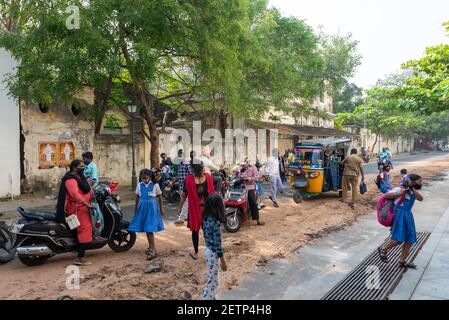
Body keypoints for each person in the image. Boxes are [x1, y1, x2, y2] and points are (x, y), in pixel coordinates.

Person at [378, 174, 423, 269]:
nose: (419, 183)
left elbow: (421, 198)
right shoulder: (399, 189)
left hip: (408, 215)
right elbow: (387, 195)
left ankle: (402, 261)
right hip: (399, 215)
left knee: (409, 239)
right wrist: (400, 193)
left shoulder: (413, 191)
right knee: (398, 239)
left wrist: (412, 189)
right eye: (417, 181)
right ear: (409, 181)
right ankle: (383, 249)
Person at [56, 159, 94, 266]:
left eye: (84, 167)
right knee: (85, 230)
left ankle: (77, 249)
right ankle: (80, 257)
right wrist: (86, 203)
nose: (83, 169)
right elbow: (75, 195)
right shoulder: (70, 180)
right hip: (76, 210)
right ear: (74, 168)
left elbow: (87, 188)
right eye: (80, 167)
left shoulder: (79, 177)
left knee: (79, 231)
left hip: (82, 208)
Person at [178, 161, 215, 260]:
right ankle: (210, 253)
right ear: (202, 167)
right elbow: (213, 193)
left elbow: (184, 195)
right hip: (208, 209)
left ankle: (196, 253)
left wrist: (180, 207)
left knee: (195, 231)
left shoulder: (189, 179)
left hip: (195, 210)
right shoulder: (208, 177)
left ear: (192, 168)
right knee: (207, 230)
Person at [129, 169, 165, 261]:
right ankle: (150, 247)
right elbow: (137, 197)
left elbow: (160, 196)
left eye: (146, 178)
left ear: (150, 177)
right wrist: (136, 208)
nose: (144, 179)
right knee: (146, 228)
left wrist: (161, 208)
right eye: (142, 178)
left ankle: (154, 250)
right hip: (142, 209)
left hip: (152, 209)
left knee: (149, 229)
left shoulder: (155, 185)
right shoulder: (139, 185)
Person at [202, 193, 228, 300]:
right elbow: (218, 245)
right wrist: (223, 262)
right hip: (213, 253)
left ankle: (212, 298)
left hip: (207, 249)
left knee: (212, 278)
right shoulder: (216, 222)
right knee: (212, 281)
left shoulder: (206, 218)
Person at [239, 159, 265, 226]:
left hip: (250, 187)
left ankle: (257, 220)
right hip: (242, 187)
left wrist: (249, 178)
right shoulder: (241, 168)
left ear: (248, 162)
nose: (243, 166)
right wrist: (240, 175)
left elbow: (256, 177)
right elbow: (238, 174)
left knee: (253, 202)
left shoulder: (253, 167)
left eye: (244, 164)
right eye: (242, 165)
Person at [174, 151, 193, 226]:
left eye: (180, 156)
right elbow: (178, 176)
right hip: (181, 186)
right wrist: (173, 182)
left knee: (185, 202)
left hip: (187, 187)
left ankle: (181, 218)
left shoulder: (187, 164)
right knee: (183, 202)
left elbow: (191, 175)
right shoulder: (180, 165)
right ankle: (185, 216)